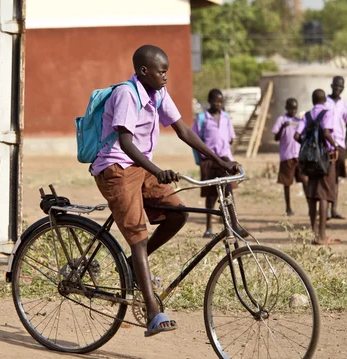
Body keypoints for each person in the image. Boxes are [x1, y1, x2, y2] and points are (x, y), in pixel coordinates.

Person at [90, 45, 239, 337]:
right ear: (144, 71)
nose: (166, 77)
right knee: (138, 236)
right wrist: (157, 170)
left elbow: (183, 130)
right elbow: (126, 143)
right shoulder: (126, 94)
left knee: (178, 214)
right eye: (162, 71)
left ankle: (133, 266)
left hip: (141, 167)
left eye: (167, 71)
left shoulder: (158, 93)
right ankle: (153, 313)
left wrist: (219, 160)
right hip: (116, 169)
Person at [193, 89, 243, 238]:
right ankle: (208, 227)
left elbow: (231, 138)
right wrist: (200, 160)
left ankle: (234, 226)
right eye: (216, 101)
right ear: (210, 101)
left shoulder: (226, 117)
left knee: (228, 191)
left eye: (221, 102)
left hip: (225, 160)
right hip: (209, 160)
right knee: (210, 195)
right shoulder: (202, 119)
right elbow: (195, 140)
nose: (218, 104)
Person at [294, 89, 337, 245]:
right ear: (324, 100)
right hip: (325, 158)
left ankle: (313, 233)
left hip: (310, 159)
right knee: (324, 195)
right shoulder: (327, 113)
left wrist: (308, 147)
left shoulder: (306, 116)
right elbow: (326, 132)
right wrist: (335, 145)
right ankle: (322, 235)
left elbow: (296, 136)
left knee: (312, 194)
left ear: (313, 100)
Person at [272, 98, 307, 216]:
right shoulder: (281, 120)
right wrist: (283, 127)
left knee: (305, 182)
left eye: (295, 108)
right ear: (286, 108)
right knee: (287, 183)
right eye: (291, 108)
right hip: (287, 156)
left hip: (299, 156)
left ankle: (310, 207)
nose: (293, 111)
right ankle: (288, 208)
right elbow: (276, 138)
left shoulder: (299, 121)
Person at [325, 76, 347, 219]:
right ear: (331, 85)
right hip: (326, 145)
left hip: (339, 145)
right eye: (336, 86)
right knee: (326, 176)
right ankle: (325, 209)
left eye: (340, 87)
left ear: (343, 88)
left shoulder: (345, 105)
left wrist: (345, 146)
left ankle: (333, 209)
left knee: (335, 179)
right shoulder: (325, 102)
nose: (337, 89)